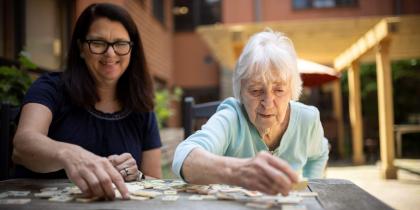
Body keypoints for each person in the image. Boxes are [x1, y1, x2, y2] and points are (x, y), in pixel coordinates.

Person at [12, 3, 162, 200]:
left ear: (132, 49)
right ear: (81, 47)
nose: (110, 53)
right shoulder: (51, 88)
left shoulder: (140, 104)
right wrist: (69, 154)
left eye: (120, 43)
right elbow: (22, 145)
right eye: (98, 43)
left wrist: (137, 176)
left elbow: (157, 181)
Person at [172, 29, 329, 196]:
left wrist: (309, 191)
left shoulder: (307, 119)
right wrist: (238, 172)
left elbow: (319, 153)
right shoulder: (231, 117)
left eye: (279, 90)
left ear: (291, 90)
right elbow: (183, 158)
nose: (268, 103)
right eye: (255, 91)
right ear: (240, 91)